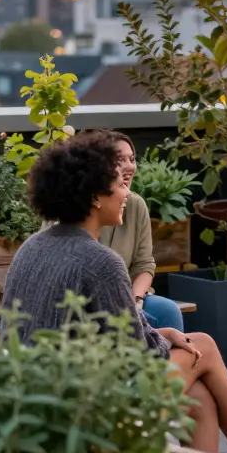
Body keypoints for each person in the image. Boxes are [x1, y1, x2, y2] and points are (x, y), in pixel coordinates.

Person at [1, 132, 227, 453]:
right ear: (95, 197)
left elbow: (100, 336)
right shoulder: (101, 261)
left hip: (32, 404)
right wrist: (161, 340)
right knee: (203, 346)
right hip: (86, 417)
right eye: (118, 184)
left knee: (198, 398)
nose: (126, 192)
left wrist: (159, 333)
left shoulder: (31, 248)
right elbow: (134, 354)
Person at [92, 130, 186, 331]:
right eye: (119, 160)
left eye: (132, 159)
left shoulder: (135, 205)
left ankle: (165, 360)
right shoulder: (75, 209)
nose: (128, 167)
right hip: (90, 301)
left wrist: (135, 301)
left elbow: (144, 264)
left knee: (168, 311)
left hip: (129, 295)